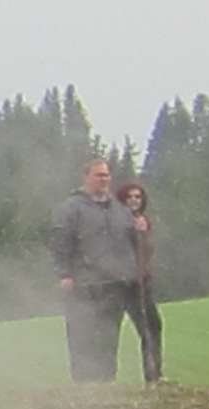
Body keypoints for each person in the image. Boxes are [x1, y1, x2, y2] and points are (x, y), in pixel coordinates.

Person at [48, 157, 141, 384]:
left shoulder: (120, 210)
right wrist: (64, 274)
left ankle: (107, 385)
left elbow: (131, 243)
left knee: (109, 339)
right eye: (99, 175)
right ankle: (83, 388)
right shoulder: (70, 209)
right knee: (82, 338)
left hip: (114, 284)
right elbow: (61, 242)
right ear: (86, 177)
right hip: (83, 285)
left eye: (106, 175)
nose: (104, 180)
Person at [119, 178, 164, 383]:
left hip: (141, 284)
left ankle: (153, 375)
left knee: (152, 327)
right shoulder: (118, 222)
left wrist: (144, 233)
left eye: (138, 196)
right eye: (129, 197)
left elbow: (146, 252)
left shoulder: (144, 221)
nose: (134, 200)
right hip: (123, 284)